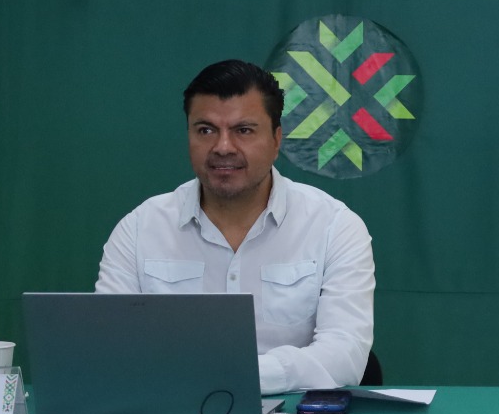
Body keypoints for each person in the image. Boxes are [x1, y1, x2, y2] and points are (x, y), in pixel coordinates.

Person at [96, 60, 374, 394]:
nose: (223, 147)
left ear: (276, 140)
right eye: (206, 130)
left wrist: (229, 375)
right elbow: (109, 347)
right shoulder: (140, 228)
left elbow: (345, 356)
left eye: (243, 130)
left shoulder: (334, 226)